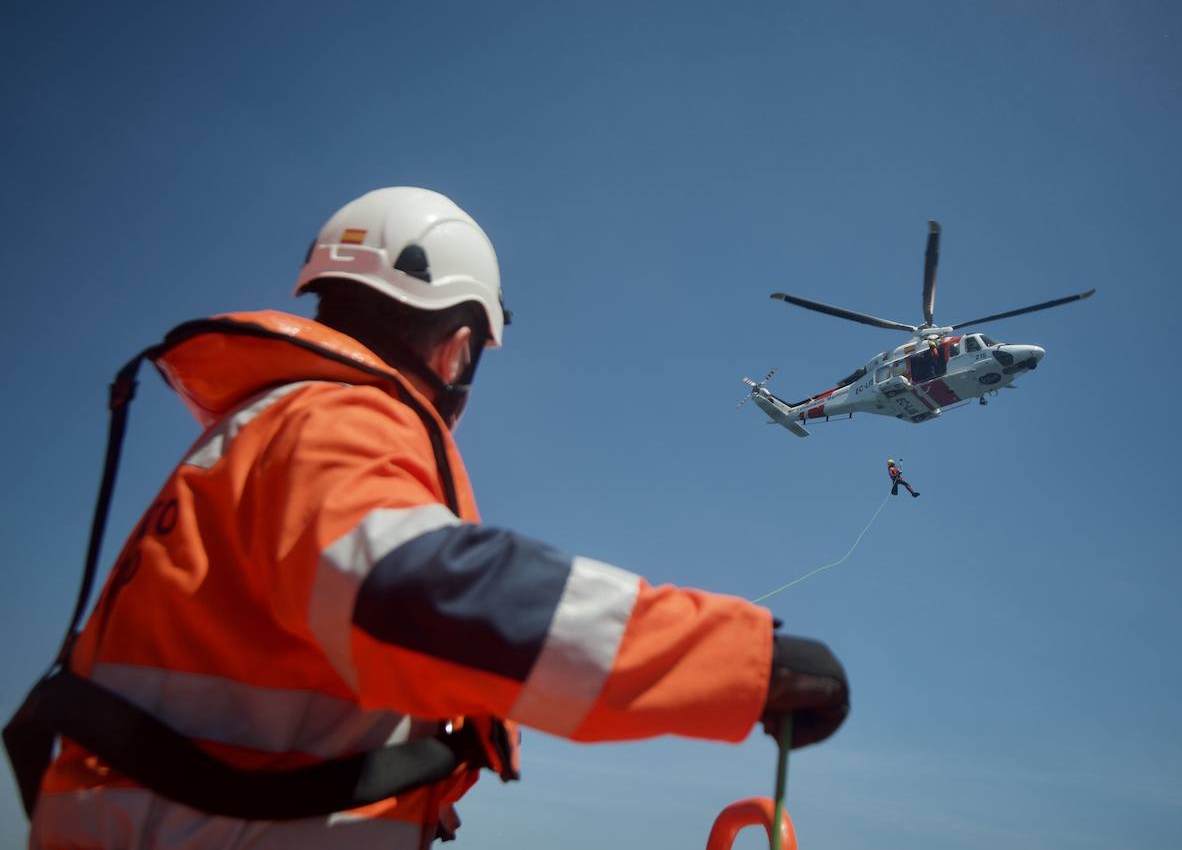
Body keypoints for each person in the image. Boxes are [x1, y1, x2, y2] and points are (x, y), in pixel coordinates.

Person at [18, 187, 849, 848]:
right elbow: (416, 592)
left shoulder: (259, 436)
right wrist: (741, 663)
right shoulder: (336, 420)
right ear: (457, 347)